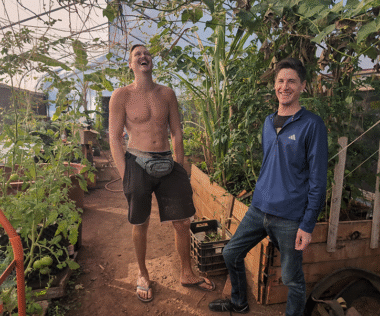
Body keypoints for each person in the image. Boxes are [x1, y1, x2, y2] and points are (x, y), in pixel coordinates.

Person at [208, 58, 328, 315]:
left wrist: (307, 225)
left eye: (291, 81)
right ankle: (239, 303)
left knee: (291, 279)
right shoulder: (267, 122)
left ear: (303, 86)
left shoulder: (311, 124)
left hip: (289, 217)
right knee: (231, 253)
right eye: (280, 81)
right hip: (258, 209)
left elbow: (318, 179)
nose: (285, 86)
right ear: (274, 85)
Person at [109, 44, 215, 303]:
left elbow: (177, 132)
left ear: (151, 61)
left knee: (182, 221)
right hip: (137, 162)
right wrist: (125, 174)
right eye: (137, 55)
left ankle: (187, 272)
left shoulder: (167, 94)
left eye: (146, 54)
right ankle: (143, 274)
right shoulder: (120, 96)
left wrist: (179, 166)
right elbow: (113, 137)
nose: (143, 56)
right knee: (140, 222)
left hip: (167, 163)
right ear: (131, 65)